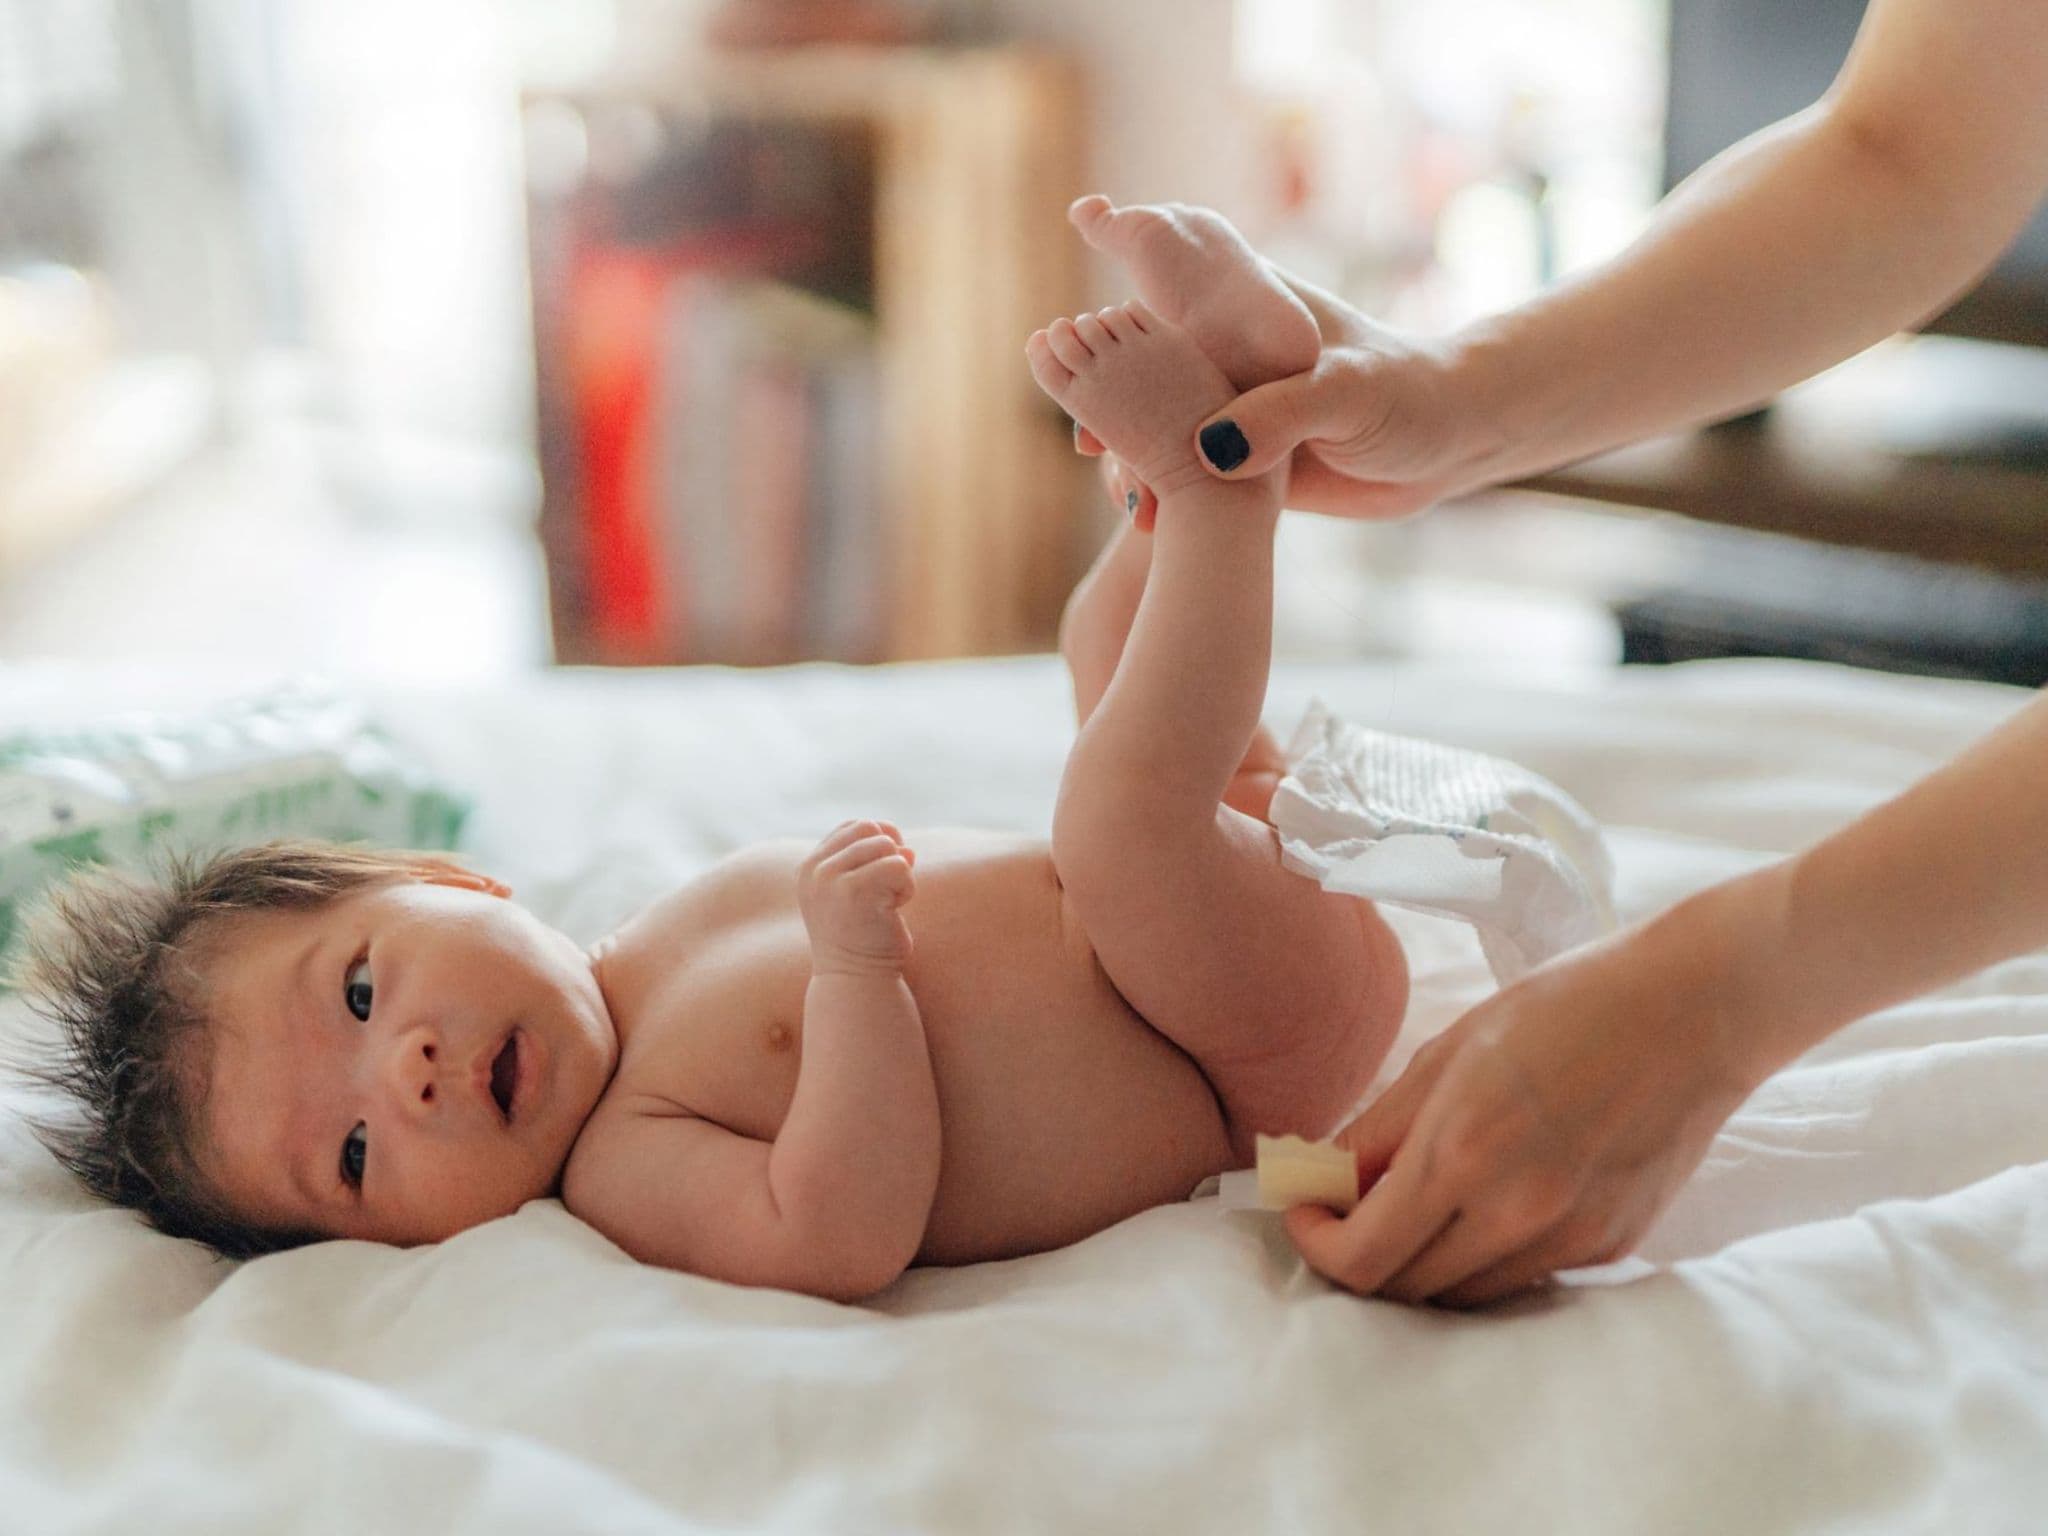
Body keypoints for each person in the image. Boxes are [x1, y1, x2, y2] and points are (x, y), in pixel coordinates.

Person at [13, 289, 1410, 1302]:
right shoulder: (630, 1162)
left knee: (1103, 664)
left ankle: (1195, 461)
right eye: (360, 1152)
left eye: (364, 995)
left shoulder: (666, 926)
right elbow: (835, 1233)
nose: (411, 1071)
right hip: (1238, 1068)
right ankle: (1224, 489)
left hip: (1222, 920)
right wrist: (859, 973)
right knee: (1116, 817)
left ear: (453, 884)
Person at [1073, 0, 2048, 1305]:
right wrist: (1456, 393)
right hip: (1161, 981)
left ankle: (1205, 499)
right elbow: (1912, 148)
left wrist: (1727, 990)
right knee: (1135, 750)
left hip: (1202, 1048)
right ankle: (1207, 483)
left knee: (1132, 802)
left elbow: (1271, 1177)